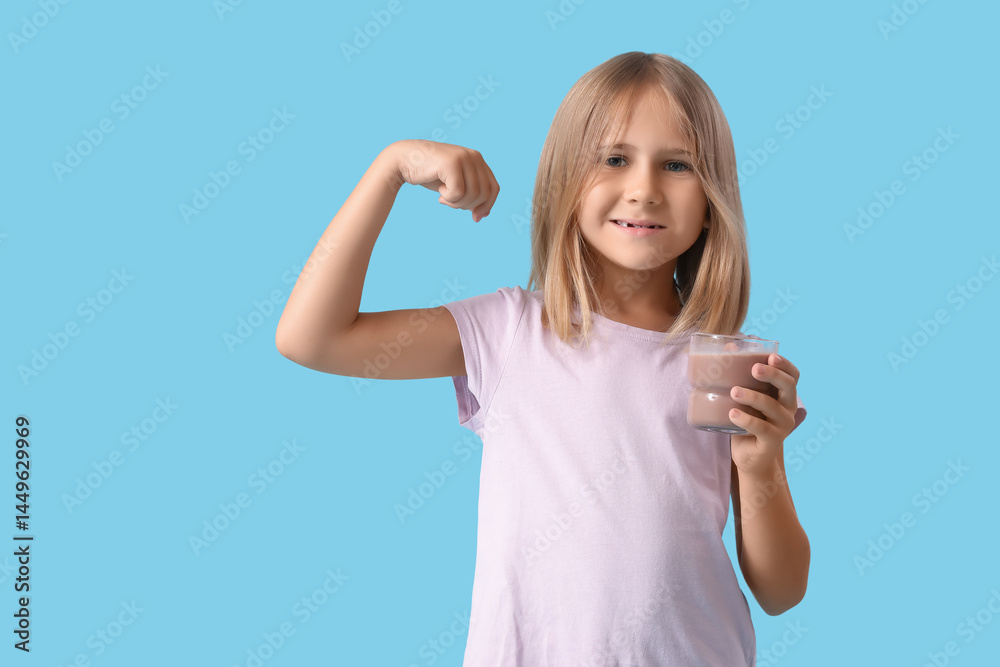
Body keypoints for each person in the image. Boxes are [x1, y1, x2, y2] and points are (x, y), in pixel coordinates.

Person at [276, 51, 810, 666]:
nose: (644, 189)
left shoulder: (726, 368)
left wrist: (762, 462)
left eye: (677, 164)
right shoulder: (509, 332)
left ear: (714, 194)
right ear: (565, 178)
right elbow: (313, 337)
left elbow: (781, 591)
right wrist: (389, 169)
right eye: (614, 158)